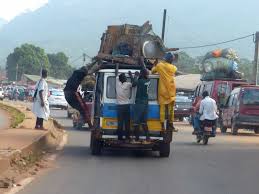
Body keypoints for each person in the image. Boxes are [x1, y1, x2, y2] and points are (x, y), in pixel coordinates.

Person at [151, 52, 177, 132]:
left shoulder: (160, 66)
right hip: (171, 91)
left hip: (162, 91)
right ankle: (171, 125)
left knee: (162, 109)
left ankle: (162, 126)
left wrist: (154, 65)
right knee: (171, 109)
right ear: (171, 60)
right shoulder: (174, 68)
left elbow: (152, 71)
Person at [129, 68, 150, 141]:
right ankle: (148, 137)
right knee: (144, 122)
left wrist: (135, 76)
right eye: (147, 73)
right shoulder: (148, 80)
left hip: (139, 103)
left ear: (141, 74)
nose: (148, 74)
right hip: (146, 103)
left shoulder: (140, 81)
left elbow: (133, 84)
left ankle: (137, 138)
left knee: (136, 122)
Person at [116, 73, 132, 141]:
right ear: (123, 79)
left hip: (119, 106)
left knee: (120, 122)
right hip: (126, 105)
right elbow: (134, 84)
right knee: (127, 122)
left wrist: (117, 66)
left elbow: (116, 74)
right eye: (125, 77)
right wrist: (131, 75)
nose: (126, 78)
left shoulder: (117, 83)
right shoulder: (128, 84)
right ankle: (127, 137)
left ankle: (120, 137)